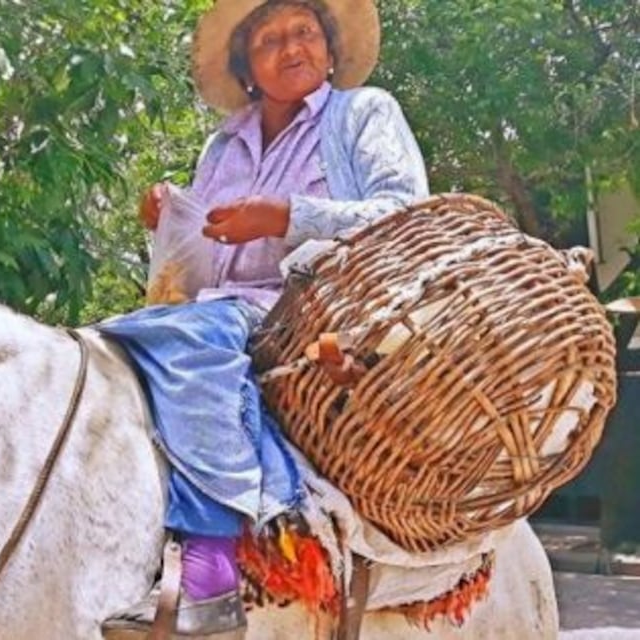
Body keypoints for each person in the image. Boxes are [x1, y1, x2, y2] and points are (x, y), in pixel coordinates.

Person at [99, 0, 429, 637]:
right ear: (247, 68)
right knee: (108, 343)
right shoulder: (222, 144)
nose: (291, 48)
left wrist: (287, 217)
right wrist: (172, 215)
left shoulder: (363, 112)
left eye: (305, 32)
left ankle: (210, 569)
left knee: (194, 337)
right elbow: (199, 258)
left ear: (329, 49)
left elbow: (406, 215)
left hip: (317, 309)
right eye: (269, 41)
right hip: (217, 310)